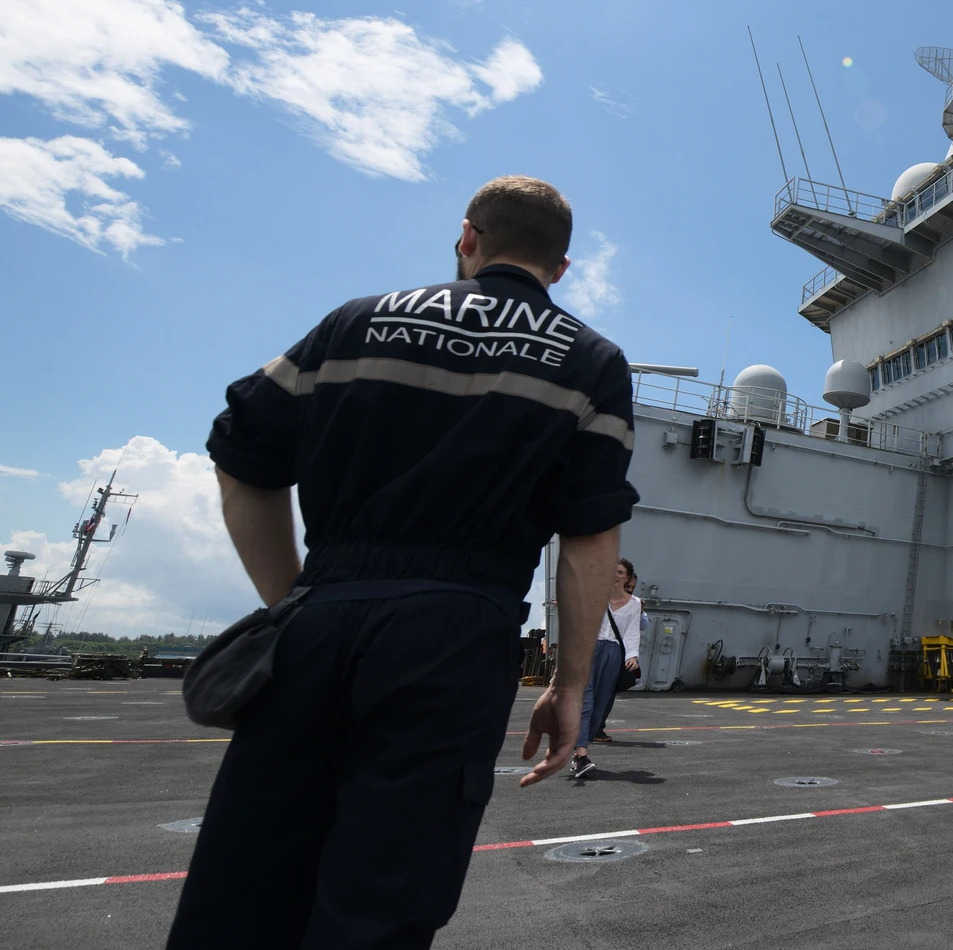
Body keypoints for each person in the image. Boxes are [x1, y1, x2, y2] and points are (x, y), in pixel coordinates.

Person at [169, 177, 639, 949]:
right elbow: (590, 536)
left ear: (467, 237)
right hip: (455, 635)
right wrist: (570, 681)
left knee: (239, 888)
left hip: (316, 623)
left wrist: (294, 601)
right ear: (560, 268)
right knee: (381, 901)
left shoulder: (353, 322)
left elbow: (240, 459)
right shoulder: (589, 361)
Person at [574, 560, 641, 769]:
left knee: (600, 706)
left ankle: (577, 745)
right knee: (585, 703)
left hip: (613, 654)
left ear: (627, 577)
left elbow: (632, 632)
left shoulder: (635, 603)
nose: (615, 575)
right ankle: (581, 756)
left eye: (620, 572)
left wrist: (632, 656)